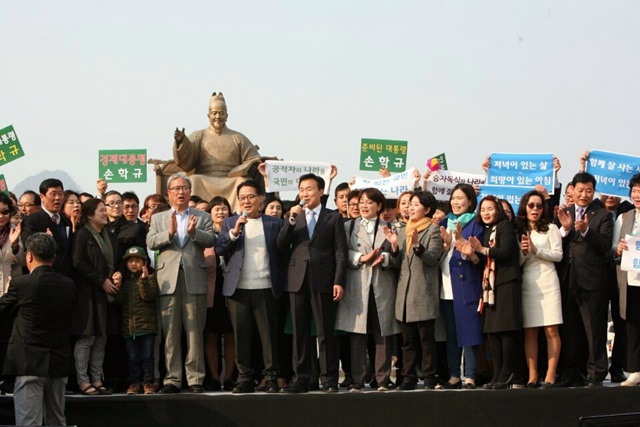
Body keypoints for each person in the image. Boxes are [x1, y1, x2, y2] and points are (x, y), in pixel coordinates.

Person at [278, 173, 348, 393]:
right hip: (297, 279)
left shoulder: (332, 217)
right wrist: (290, 220)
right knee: (299, 332)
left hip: (324, 279)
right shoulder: (293, 216)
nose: (305, 193)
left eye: (309, 189)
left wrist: (338, 281)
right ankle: (301, 378)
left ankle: (329, 379)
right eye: (301, 189)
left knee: (324, 331)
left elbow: (340, 252)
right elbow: (280, 244)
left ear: (320, 191)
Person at [147, 172, 215, 394]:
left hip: (194, 277)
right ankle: (172, 378)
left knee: (195, 331)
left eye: (184, 188)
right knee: (170, 332)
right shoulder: (159, 218)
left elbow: (212, 239)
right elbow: (150, 242)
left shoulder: (202, 216)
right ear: (169, 194)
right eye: (176, 188)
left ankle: (195, 379)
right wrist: (169, 233)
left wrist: (195, 233)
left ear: (190, 191)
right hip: (168, 281)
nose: (181, 192)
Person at [215, 180, 285, 394]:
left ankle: (271, 378)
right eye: (242, 197)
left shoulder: (274, 223)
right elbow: (219, 248)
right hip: (238, 289)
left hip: (266, 287)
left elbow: (283, 251)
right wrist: (235, 232)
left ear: (261, 198)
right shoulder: (230, 222)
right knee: (241, 336)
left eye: (251, 197)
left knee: (269, 337)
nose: (246, 201)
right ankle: (244, 378)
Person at [0, 233, 75, 426]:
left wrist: (9, 291)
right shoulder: (68, 284)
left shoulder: (21, 284)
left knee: (28, 421)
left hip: (28, 361)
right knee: (57, 420)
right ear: (54, 257)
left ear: (29, 256)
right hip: (58, 361)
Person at [335, 188, 401, 392]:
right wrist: (361, 258)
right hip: (358, 284)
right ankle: (357, 378)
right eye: (361, 202)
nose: (363, 206)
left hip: (382, 286)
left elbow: (398, 258)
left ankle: (382, 378)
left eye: (369, 202)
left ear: (379, 206)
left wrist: (388, 256)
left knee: (383, 332)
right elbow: (342, 253)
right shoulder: (348, 226)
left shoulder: (391, 227)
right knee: (357, 333)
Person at [556, 172, 613, 387]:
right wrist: (566, 229)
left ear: (593, 191)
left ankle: (596, 373)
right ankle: (571, 373)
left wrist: (586, 230)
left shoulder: (603, 215)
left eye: (588, 190)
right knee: (570, 330)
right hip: (567, 279)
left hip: (592, 281)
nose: (583, 194)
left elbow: (605, 245)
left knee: (594, 330)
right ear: (572, 190)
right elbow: (556, 242)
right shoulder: (565, 212)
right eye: (580, 190)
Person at [385, 191, 442, 390]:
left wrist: (418, 246)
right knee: (407, 342)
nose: (410, 207)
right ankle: (407, 377)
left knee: (426, 340)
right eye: (409, 204)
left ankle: (429, 376)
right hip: (404, 294)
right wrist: (393, 247)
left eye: (416, 204)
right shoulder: (402, 231)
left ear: (427, 209)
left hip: (423, 292)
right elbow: (395, 263)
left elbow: (433, 258)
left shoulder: (433, 230)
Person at [465, 196, 522, 389]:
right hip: (489, 287)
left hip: (506, 284)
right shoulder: (485, 231)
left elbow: (506, 251)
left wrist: (483, 249)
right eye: (483, 209)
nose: (486, 213)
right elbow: (483, 261)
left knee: (505, 331)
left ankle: (507, 372)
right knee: (492, 332)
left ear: (498, 210)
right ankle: (497, 374)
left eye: (490, 209)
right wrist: (473, 254)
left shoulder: (505, 227)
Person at [173, 92, 261, 212]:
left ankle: (239, 213)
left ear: (227, 116)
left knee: (243, 181)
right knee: (194, 180)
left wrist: (251, 163)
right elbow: (186, 158)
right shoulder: (199, 135)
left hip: (231, 179)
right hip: (205, 177)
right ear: (208, 115)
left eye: (221, 113)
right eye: (214, 113)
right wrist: (181, 142)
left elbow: (253, 157)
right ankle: (195, 212)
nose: (218, 116)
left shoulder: (238, 137)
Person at [71, 198, 120, 395]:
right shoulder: (82, 235)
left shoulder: (110, 235)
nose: (105, 212)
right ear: (90, 214)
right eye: (101, 210)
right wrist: (101, 280)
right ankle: (83, 381)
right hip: (88, 294)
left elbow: (117, 260)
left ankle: (98, 379)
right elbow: (78, 262)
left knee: (102, 338)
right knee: (87, 338)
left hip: (107, 295)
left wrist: (118, 274)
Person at [439, 183, 485, 389]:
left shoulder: (476, 223)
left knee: (470, 331)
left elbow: (480, 258)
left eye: (460, 198)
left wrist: (467, 248)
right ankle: (454, 375)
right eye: (453, 198)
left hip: (467, 284)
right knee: (452, 333)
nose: (455, 202)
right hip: (446, 286)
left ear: (470, 201)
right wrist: (446, 245)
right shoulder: (444, 222)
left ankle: (470, 375)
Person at [515, 190, 563, 387]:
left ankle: (551, 374)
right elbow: (518, 263)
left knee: (551, 329)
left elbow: (558, 255)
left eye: (539, 206)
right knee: (530, 331)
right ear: (524, 207)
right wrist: (525, 252)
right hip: (528, 282)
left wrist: (537, 250)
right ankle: (532, 375)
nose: (535, 209)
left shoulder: (551, 228)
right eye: (531, 205)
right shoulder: (519, 230)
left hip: (548, 280)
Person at [113, 246, 158, 395]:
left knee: (147, 356)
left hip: (146, 326)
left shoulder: (150, 278)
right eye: (130, 261)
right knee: (132, 358)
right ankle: (134, 383)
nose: (134, 264)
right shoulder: (125, 281)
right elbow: (118, 302)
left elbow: (149, 296)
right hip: (129, 327)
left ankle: (148, 382)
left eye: (137, 260)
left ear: (144, 263)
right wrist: (117, 285)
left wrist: (144, 280)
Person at [203, 196, 236, 392]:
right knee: (211, 335)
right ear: (209, 213)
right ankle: (215, 377)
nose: (221, 212)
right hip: (211, 290)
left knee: (232, 335)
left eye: (224, 209)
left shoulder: (237, 231)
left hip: (232, 288)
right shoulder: (205, 235)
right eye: (216, 209)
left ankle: (230, 376)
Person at [613, 173, 640, 386]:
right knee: (632, 323)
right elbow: (614, 248)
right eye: (634, 191)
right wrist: (619, 249)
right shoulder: (625, 217)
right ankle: (634, 369)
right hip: (631, 278)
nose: (637, 195)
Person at [21, 179, 73, 276]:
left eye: (60, 194)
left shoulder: (67, 221)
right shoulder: (32, 221)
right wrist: (44, 240)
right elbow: (28, 246)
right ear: (42, 197)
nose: (57, 198)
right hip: (43, 277)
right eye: (53, 194)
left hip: (66, 278)